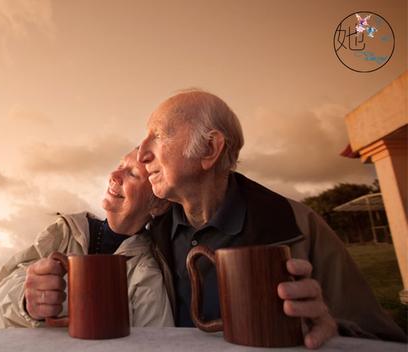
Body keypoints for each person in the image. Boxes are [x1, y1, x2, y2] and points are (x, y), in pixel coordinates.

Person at [136, 89, 407, 348]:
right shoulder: (151, 233)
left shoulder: (299, 224)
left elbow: (382, 339)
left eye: (159, 135)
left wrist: (334, 332)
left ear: (209, 148)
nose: (141, 154)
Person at [0, 148, 174, 328]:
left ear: (158, 205)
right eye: (120, 165)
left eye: (132, 174)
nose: (115, 175)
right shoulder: (64, 233)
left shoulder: (146, 272)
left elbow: (155, 342)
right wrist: (25, 302)